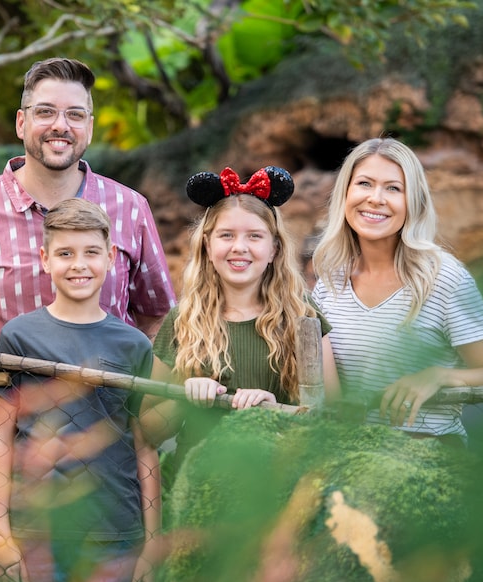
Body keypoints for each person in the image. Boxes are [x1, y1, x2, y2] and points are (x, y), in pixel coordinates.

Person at [0, 57, 175, 582]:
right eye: (46, 112)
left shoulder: (130, 209)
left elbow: (155, 316)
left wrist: (154, 415)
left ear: (90, 125)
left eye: (75, 114)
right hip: (8, 469)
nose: (60, 125)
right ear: (22, 123)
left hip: (111, 469)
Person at [0, 199, 154, 582]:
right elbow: (0, 438)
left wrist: (151, 542)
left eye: (91, 252)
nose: (79, 264)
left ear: (111, 257)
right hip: (38, 531)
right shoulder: (18, 337)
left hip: (115, 532)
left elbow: (145, 447)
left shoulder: (132, 343)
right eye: (65, 253)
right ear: (45, 259)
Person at [311, 137, 483, 442]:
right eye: (364, 184)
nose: (376, 199)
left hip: (432, 458)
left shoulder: (445, 278)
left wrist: (440, 376)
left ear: (413, 202)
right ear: (345, 193)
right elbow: (327, 398)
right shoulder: (329, 283)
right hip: (349, 457)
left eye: (393, 188)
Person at [140, 166, 340, 464]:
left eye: (254, 236)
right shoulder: (183, 321)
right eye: (226, 235)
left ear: (274, 248)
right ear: (207, 245)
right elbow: (148, 430)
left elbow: (333, 418)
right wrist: (184, 396)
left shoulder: (302, 315)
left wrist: (275, 412)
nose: (239, 247)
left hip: (279, 485)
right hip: (198, 488)